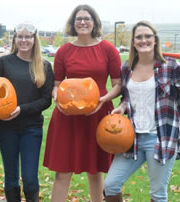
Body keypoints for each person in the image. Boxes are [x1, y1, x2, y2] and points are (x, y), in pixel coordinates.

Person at [103, 21, 180, 202]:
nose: (143, 40)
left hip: (161, 138)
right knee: (110, 185)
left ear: (155, 40)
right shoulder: (127, 68)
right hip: (131, 138)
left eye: (148, 36)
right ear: (133, 42)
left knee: (157, 194)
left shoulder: (170, 66)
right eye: (139, 37)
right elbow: (127, 97)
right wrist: (122, 107)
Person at [43, 4, 122, 202]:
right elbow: (57, 84)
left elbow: (118, 85)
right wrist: (57, 98)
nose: (83, 22)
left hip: (98, 113)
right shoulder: (63, 51)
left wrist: (103, 100)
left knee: (95, 171)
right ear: (73, 23)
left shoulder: (108, 50)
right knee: (62, 171)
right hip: (67, 115)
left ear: (94, 22)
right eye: (79, 19)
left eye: (87, 18)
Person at [0, 22, 54, 202]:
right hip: (5, 128)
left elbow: (46, 100)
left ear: (34, 39)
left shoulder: (44, 66)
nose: (24, 40)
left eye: (28, 37)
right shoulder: (4, 62)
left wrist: (22, 109)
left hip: (31, 129)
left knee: (30, 179)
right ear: (15, 39)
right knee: (11, 178)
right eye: (20, 36)